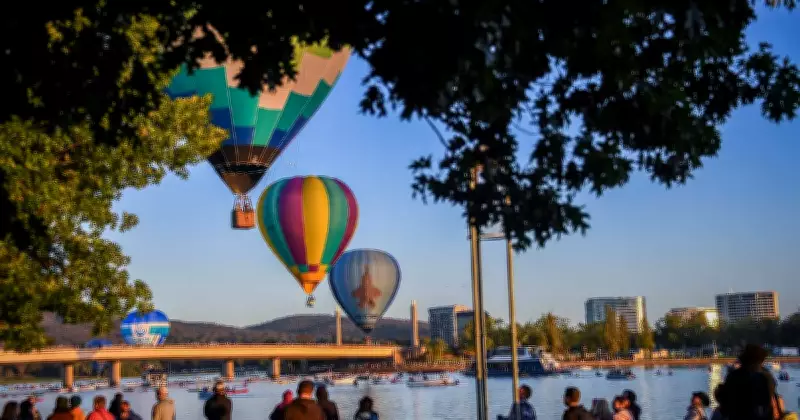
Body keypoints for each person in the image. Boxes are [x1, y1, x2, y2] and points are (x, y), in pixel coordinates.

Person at [721, 344, 776, 420]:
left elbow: (725, 405)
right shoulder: (766, 376)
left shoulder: (733, 376)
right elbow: (771, 401)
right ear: (761, 360)